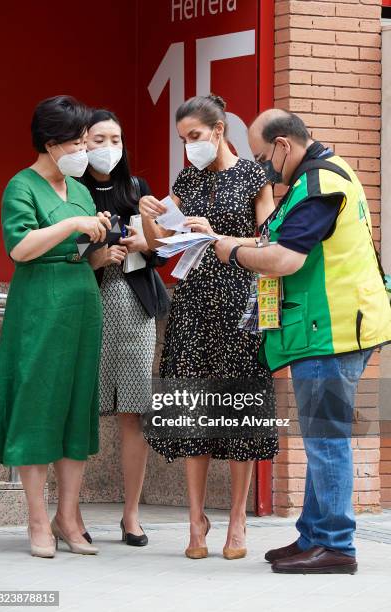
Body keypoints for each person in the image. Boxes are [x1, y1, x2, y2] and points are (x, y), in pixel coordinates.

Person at [214, 109, 391, 574]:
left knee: (326, 437)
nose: (260, 167)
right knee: (320, 435)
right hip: (329, 327)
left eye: (260, 156)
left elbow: (286, 260)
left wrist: (230, 251)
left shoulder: (317, 186)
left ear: (283, 146)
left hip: (331, 330)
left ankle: (335, 545)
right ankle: (313, 535)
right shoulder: (322, 174)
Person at [139, 94, 278, 560]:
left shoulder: (255, 175)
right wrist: (150, 216)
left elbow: (268, 240)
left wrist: (215, 235)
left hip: (240, 303)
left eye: (194, 137)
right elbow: (161, 244)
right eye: (183, 140)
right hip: (194, 304)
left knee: (239, 411)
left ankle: (237, 519)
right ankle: (196, 520)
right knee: (194, 409)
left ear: (219, 130)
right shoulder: (188, 177)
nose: (189, 147)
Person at [0, 95, 111, 558]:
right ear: (52, 143)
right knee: (39, 404)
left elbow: (80, 250)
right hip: (39, 303)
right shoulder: (21, 186)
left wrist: (101, 244)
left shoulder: (79, 190)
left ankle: (68, 516)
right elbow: (20, 248)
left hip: (82, 300)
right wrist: (74, 224)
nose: (86, 150)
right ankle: (37, 519)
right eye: (78, 142)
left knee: (77, 405)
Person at [78, 109, 165, 546]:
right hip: (85, 305)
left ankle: (131, 514)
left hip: (134, 305)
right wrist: (94, 257)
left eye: (115, 139)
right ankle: (70, 513)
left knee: (134, 410)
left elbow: (162, 251)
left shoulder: (137, 188)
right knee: (80, 410)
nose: (108, 147)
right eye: (98, 139)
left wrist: (144, 243)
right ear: (81, 142)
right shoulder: (70, 191)